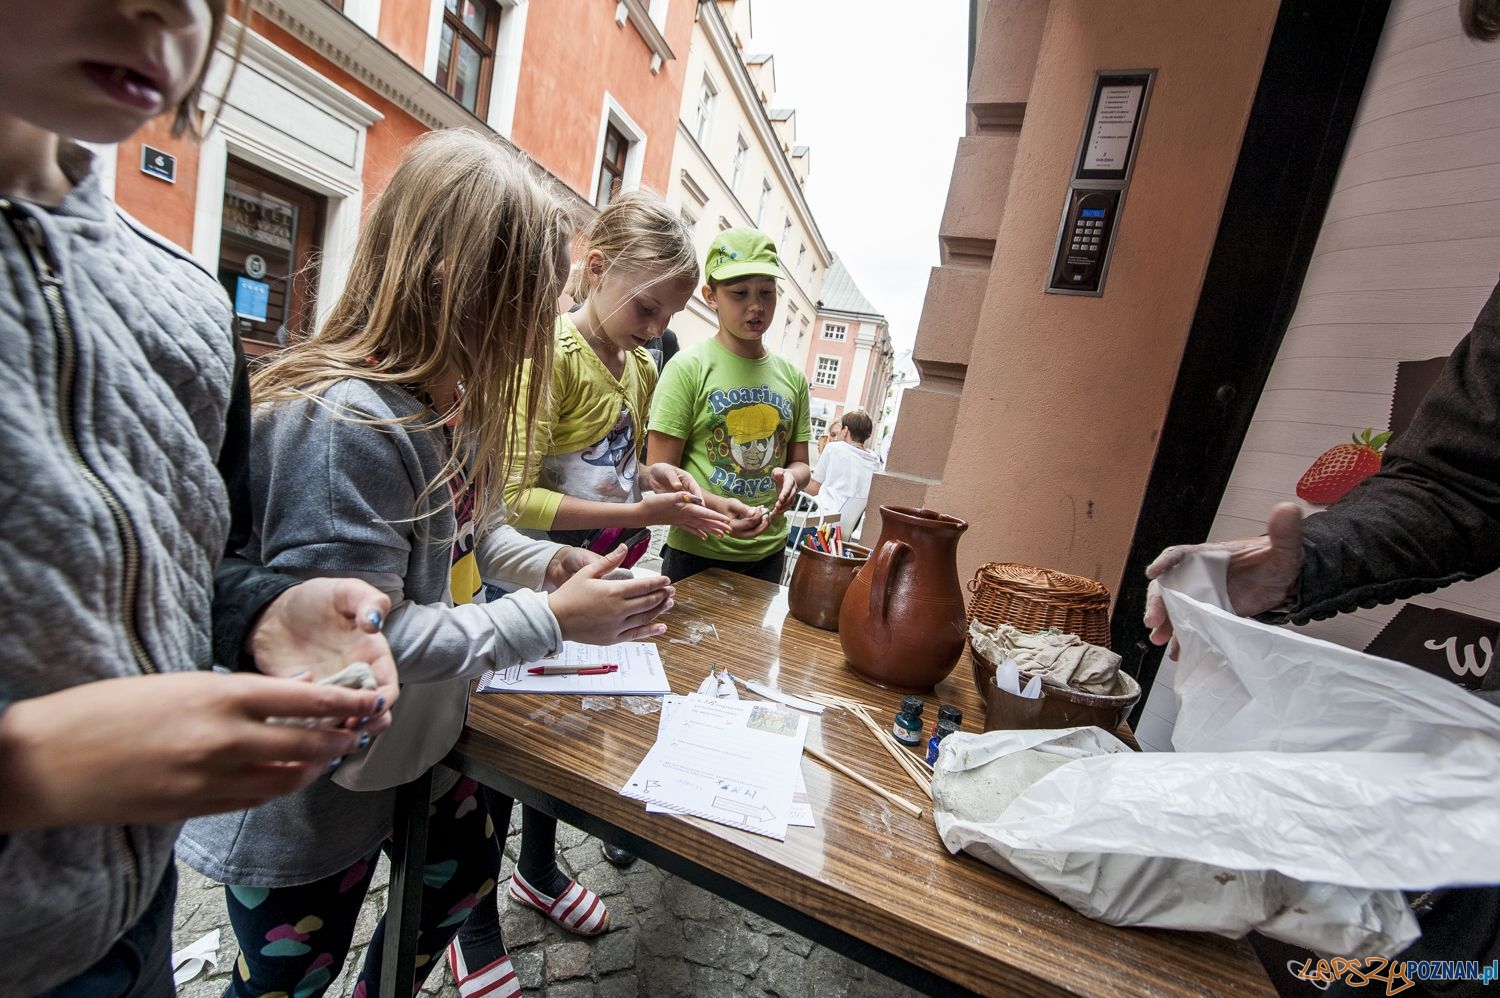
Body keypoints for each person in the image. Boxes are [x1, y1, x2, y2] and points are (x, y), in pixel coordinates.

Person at [175, 130, 675, 998]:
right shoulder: (349, 429)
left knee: (460, 875)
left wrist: (553, 570)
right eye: (528, 302)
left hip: (414, 746)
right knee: (290, 978)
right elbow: (360, 641)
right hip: (302, 798)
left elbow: (475, 542)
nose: (538, 333)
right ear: (459, 287)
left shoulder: (451, 403)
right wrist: (549, 622)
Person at [0, 2, 400, 994]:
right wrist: (33, 768)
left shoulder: (185, 301)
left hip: (127, 933)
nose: (167, 12)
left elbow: (195, 561)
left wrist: (260, 610)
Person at [446, 194, 730, 970]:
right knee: (503, 758)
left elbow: (620, 463)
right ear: (596, 269)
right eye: (646, 307)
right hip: (529, 585)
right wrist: (640, 503)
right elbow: (512, 498)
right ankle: (471, 926)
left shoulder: (639, 364)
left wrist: (658, 477)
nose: (653, 327)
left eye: (666, 315)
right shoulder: (549, 356)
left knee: (566, 738)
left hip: (602, 581)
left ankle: (537, 872)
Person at [647, 228, 814, 583]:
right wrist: (716, 506)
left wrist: (792, 479)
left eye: (766, 293)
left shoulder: (794, 379)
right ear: (711, 296)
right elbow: (660, 471)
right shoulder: (688, 368)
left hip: (768, 552)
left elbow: (801, 463)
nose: (755, 306)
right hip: (697, 548)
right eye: (739, 293)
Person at [803, 408, 882, 518]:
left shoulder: (834, 448)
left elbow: (814, 487)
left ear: (845, 430)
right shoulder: (875, 461)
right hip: (850, 523)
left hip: (823, 518)